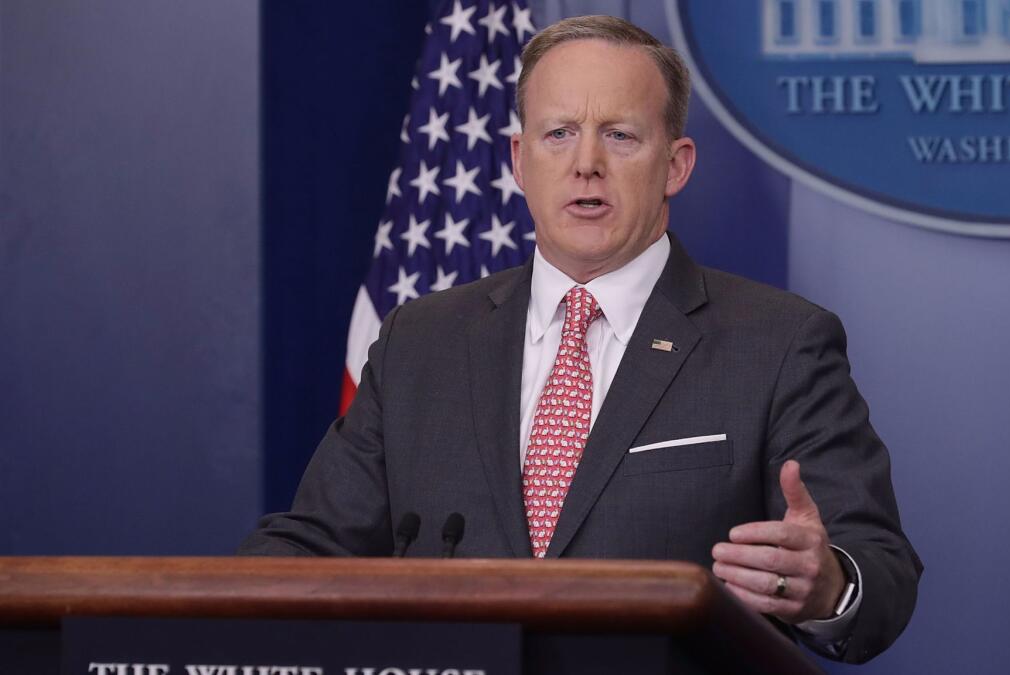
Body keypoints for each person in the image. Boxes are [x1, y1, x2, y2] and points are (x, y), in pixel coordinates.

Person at [240, 15, 920, 664]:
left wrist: (828, 584)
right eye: (558, 133)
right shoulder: (420, 339)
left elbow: (879, 570)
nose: (586, 162)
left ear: (676, 164)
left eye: (620, 135)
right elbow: (314, 544)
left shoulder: (779, 343)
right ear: (518, 159)